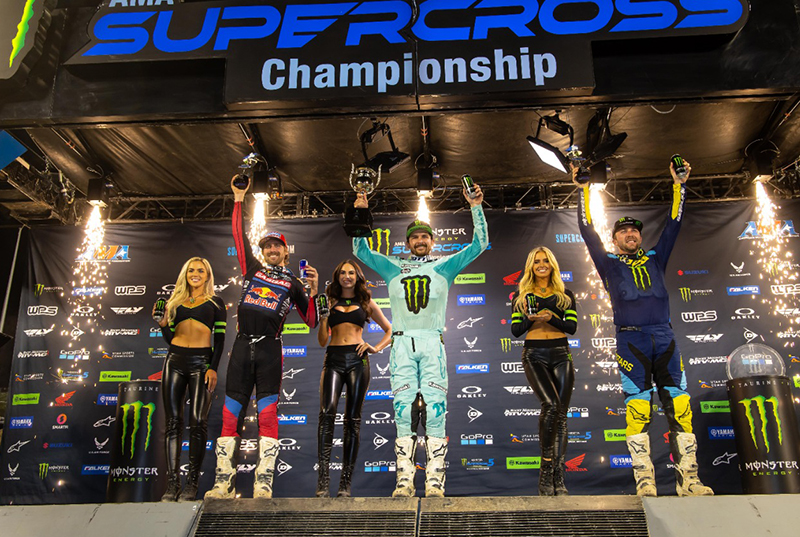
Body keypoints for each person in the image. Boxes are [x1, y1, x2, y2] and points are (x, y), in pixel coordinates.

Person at [574, 159, 713, 497]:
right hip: (630, 341)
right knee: (638, 410)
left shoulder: (655, 258)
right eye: (623, 231)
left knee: (680, 407)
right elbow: (587, 230)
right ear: (615, 238)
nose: (630, 233)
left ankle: (689, 479)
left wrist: (679, 186)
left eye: (634, 230)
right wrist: (583, 191)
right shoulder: (608, 263)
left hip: (665, 337)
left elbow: (673, 225)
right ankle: (645, 480)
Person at [351, 184, 488, 497]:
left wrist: (476, 207)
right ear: (408, 242)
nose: (420, 241)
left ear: (432, 241)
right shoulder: (392, 266)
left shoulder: (445, 266)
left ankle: (435, 481)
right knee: (402, 411)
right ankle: (404, 481)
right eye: (415, 237)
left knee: (436, 410)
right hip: (401, 343)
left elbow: (479, 244)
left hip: (431, 342)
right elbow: (361, 251)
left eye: (425, 236)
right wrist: (361, 210)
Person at [204, 177, 319, 500]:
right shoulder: (252, 269)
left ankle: (263, 482)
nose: (271, 249)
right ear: (263, 251)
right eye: (267, 246)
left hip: (270, 349)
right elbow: (238, 235)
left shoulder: (294, 283)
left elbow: (312, 321)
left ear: (285, 252)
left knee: (267, 415)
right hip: (242, 346)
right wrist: (238, 198)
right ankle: (223, 483)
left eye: (277, 246)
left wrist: (312, 291)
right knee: (231, 413)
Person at [315, 259, 392, 498]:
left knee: (352, 419)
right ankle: (323, 480)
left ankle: (345, 483)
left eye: (351, 273)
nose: (346, 276)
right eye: (342, 273)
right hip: (333, 358)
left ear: (357, 277)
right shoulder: (328, 301)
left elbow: (390, 330)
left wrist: (375, 347)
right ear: (337, 277)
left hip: (358, 361)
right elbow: (322, 341)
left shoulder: (366, 302)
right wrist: (324, 318)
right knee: (327, 413)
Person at [154, 257, 226, 501]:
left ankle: (191, 483)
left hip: (202, 363)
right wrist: (163, 324)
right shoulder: (174, 302)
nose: (195, 274)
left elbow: (220, 340)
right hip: (174, 361)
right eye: (191, 270)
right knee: (173, 422)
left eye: (200, 271)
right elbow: (169, 337)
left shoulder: (216, 302)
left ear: (208, 275)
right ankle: (172, 484)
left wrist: (213, 368)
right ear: (185, 274)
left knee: (198, 421)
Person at [510, 247, 577, 496]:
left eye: (545, 260)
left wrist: (550, 318)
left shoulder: (565, 294)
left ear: (552, 265)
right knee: (550, 405)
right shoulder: (521, 295)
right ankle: (546, 469)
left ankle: (559, 476)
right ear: (531, 266)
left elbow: (571, 327)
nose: (541, 264)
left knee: (561, 415)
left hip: (561, 354)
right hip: (534, 354)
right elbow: (516, 331)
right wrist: (530, 319)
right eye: (537, 261)